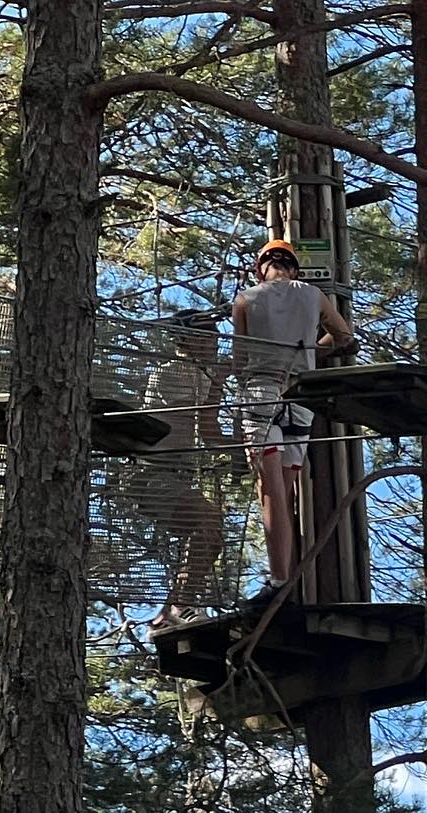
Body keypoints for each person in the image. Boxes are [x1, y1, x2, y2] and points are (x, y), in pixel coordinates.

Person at [231, 238, 355, 606]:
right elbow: (345, 336)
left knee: (269, 493)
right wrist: (312, 351)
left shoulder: (245, 300)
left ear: (260, 269)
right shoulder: (313, 295)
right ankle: (284, 578)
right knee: (283, 493)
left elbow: (240, 360)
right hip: (300, 399)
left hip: (260, 393)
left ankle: (279, 581)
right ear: (294, 269)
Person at [136, 310, 226, 630]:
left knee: (210, 535)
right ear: (185, 340)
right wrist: (222, 378)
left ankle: (169, 613)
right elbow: (207, 425)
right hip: (150, 474)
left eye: (216, 332)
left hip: (173, 475)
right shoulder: (174, 372)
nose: (215, 340)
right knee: (207, 520)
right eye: (207, 334)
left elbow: (210, 431)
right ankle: (183, 605)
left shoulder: (198, 373)